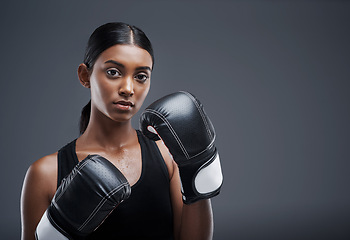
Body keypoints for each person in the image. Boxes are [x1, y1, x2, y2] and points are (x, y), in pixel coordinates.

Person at [20, 22, 222, 240]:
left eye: (141, 76)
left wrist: (199, 170)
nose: (128, 88)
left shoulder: (168, 156)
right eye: (113, 72)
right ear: (85, 76)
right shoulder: (46, 173)